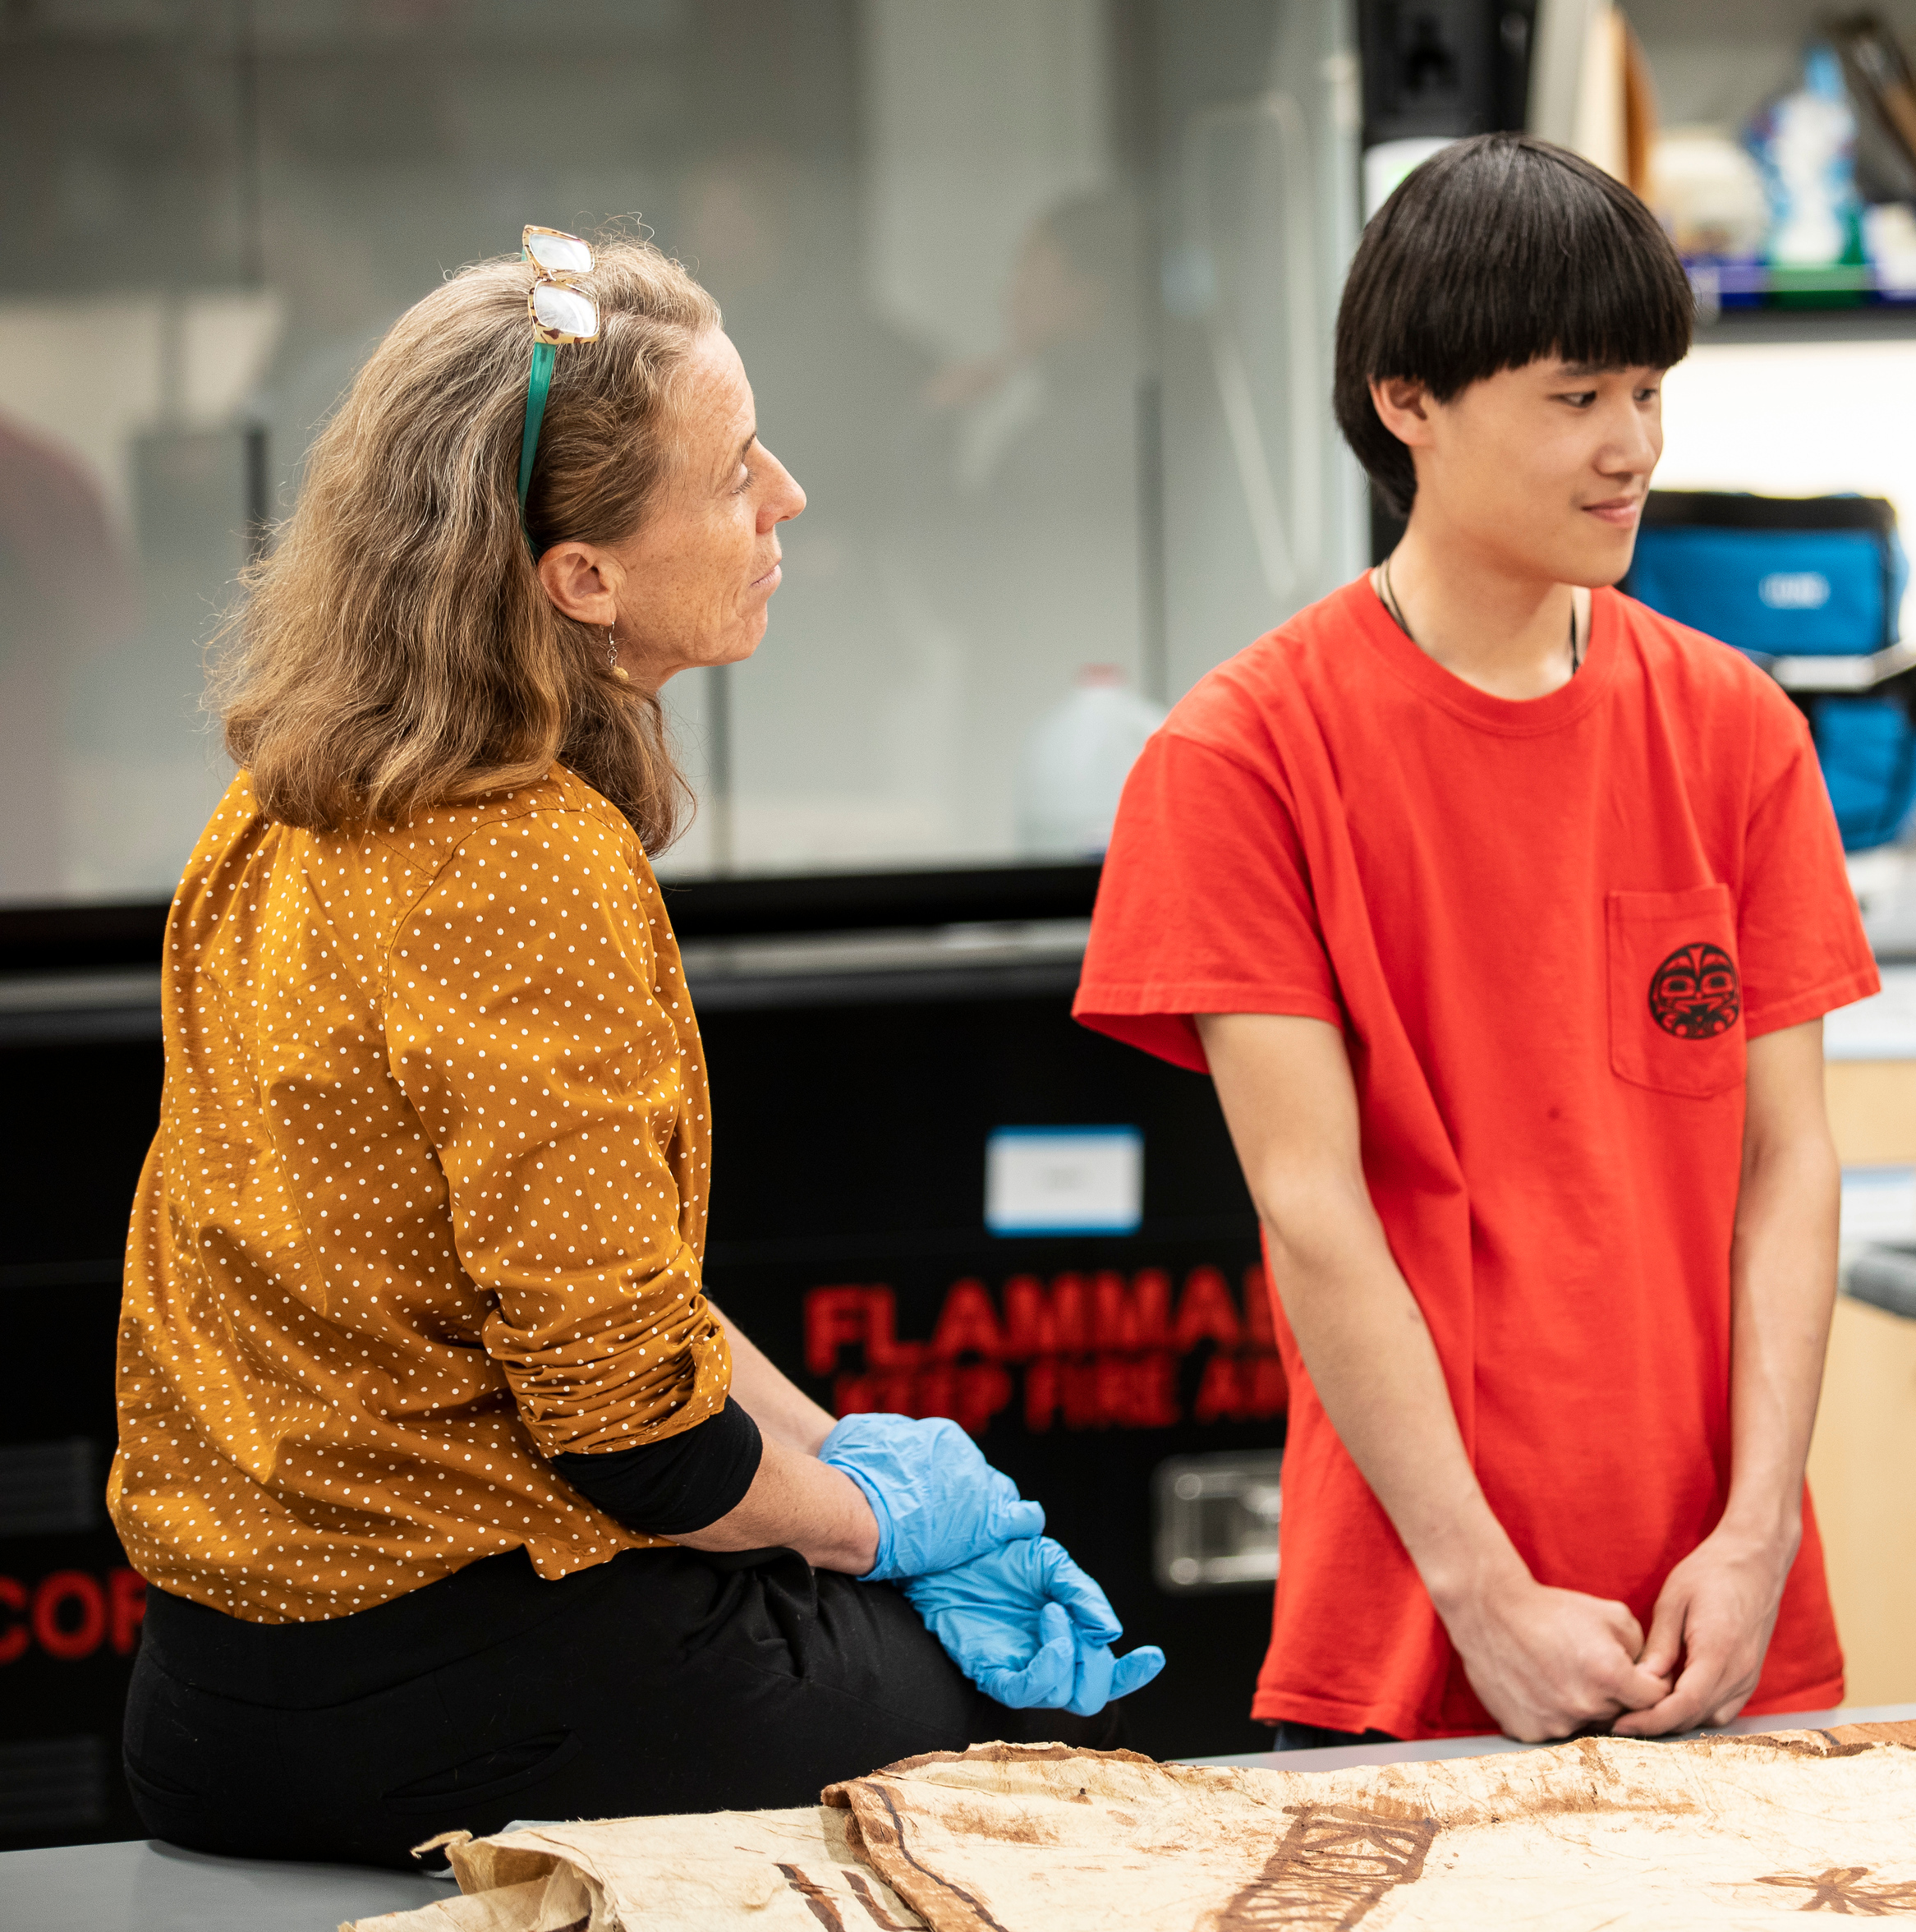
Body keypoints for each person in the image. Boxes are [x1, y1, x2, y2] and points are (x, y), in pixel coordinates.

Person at [113, 230, 1158, 1869]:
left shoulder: (277, 806)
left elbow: (597, 1296)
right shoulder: (525, 855)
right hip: (450, 1685)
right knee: (1005, 1733)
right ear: (580, 577)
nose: (789, 497)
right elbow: (639, 1436)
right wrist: (891, 1524)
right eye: (736, 470)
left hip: (212, 1693)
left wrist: (849, 1443)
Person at [1076, 136, 1878, 1747]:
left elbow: (1788, 1163)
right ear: (1408, 401)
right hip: (1421, 1631)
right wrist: (1480, 1586)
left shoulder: (1735, 729)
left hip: (1714, 1619)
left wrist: (1757, 1528)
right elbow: (1314, 1210)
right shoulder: (1241, 759)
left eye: (1650, 391)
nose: (1632, 447)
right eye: (1576, 397)